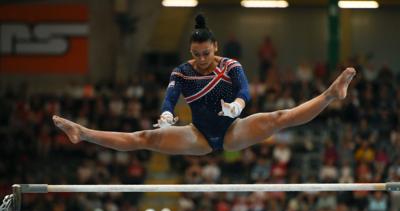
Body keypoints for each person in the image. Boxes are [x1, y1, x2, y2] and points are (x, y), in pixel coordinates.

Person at [53, 14, 356, 156]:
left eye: (206, 53)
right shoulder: (182, 72)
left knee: (279, 118)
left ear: (215, 47)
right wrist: (167, 117)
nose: (201, 59)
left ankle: (331, 93)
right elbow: (170, 99)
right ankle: (83, 132)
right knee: (143, 137)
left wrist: (237, 105)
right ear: (190, 51)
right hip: (197, 135)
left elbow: (245, 91)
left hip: (234, 130)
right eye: (196, 54)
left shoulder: (230, 65)